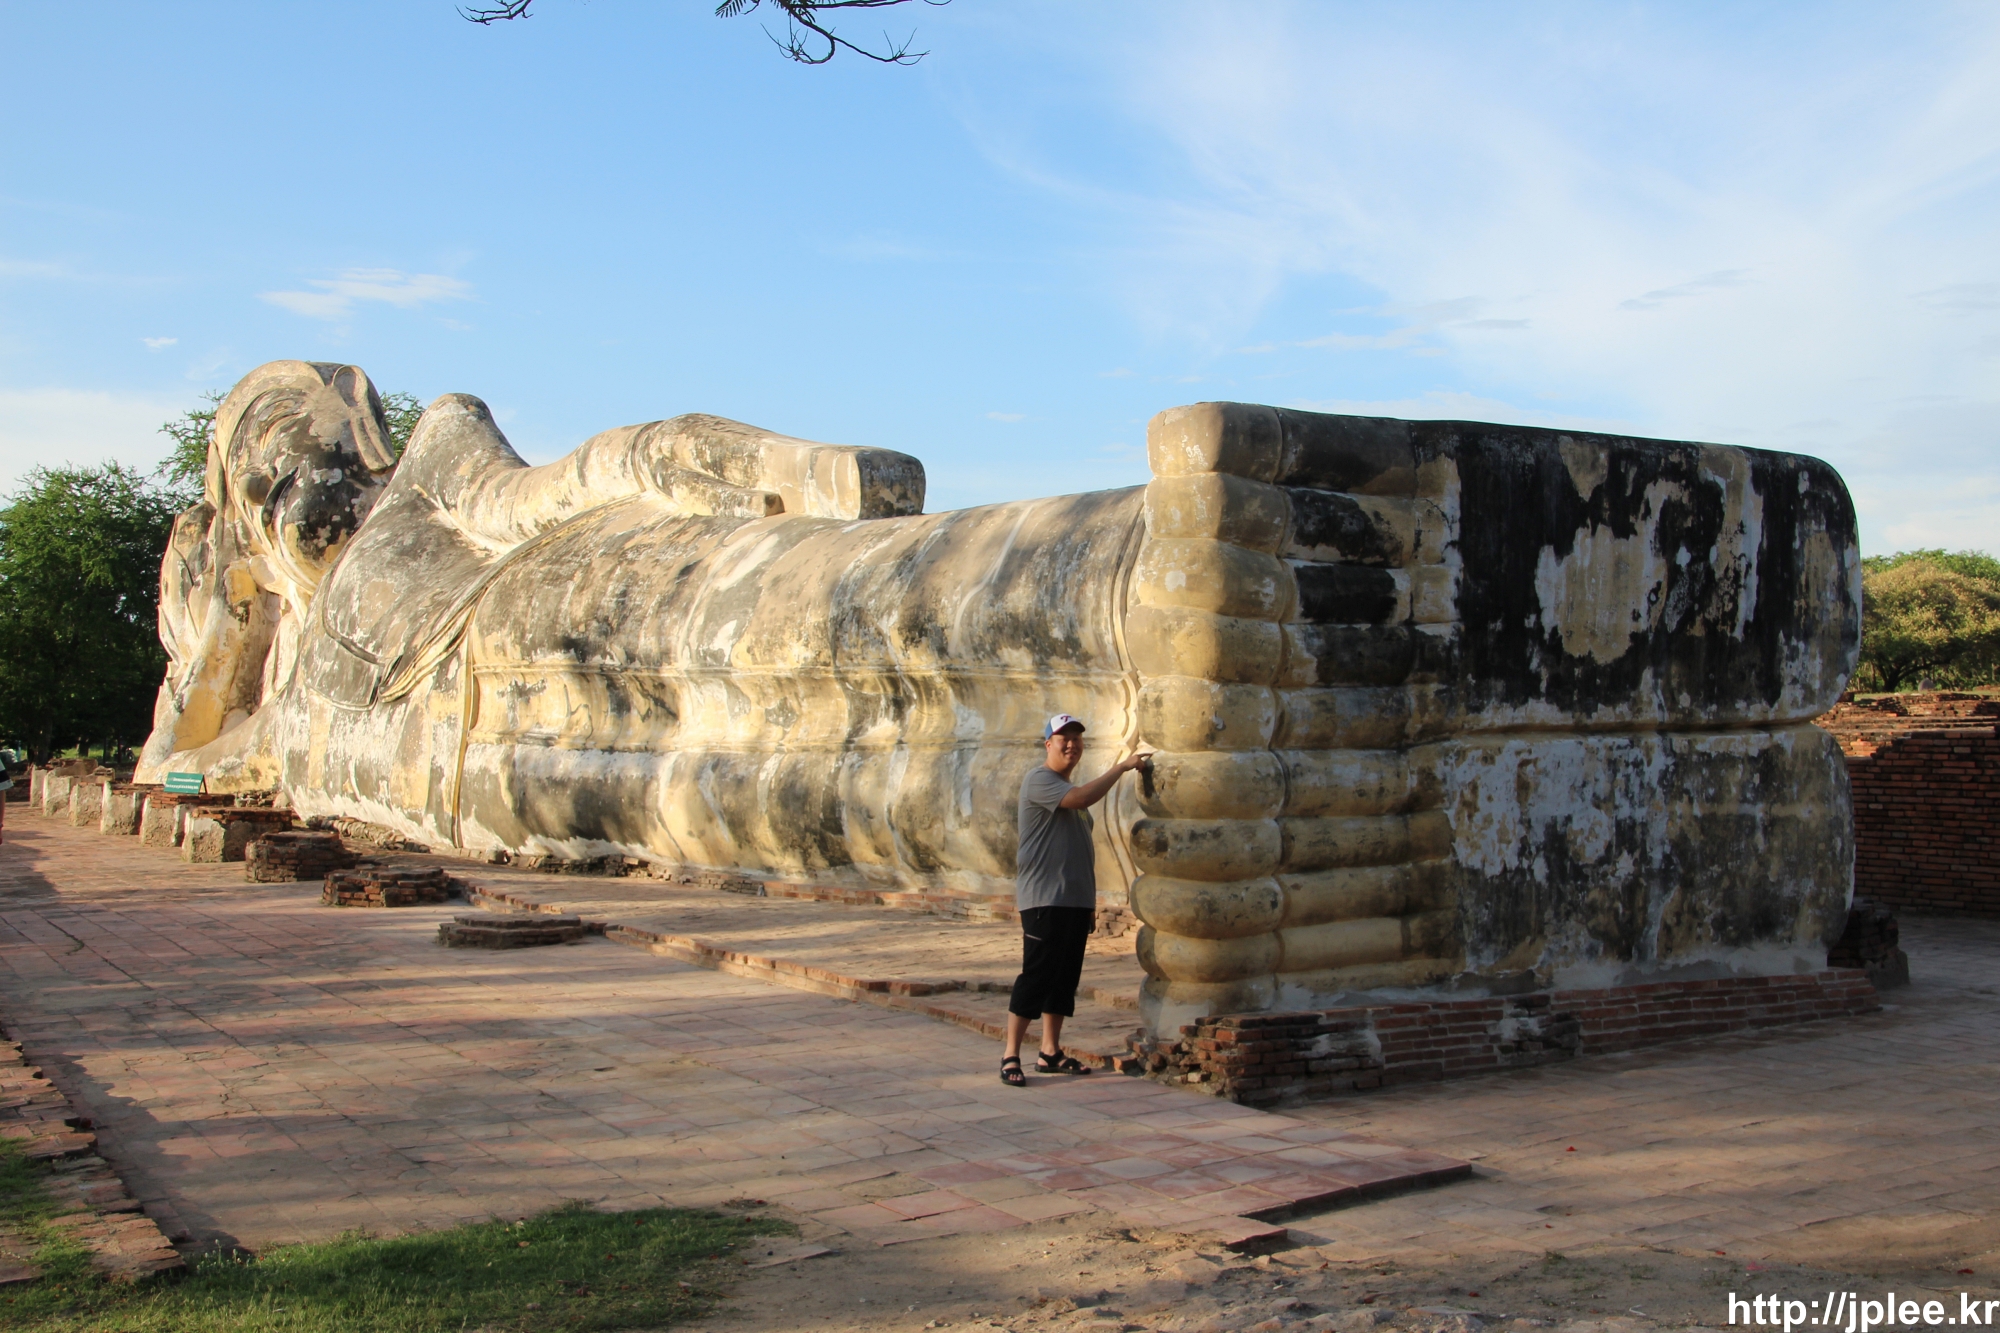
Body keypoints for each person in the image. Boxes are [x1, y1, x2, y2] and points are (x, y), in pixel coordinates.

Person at [1001, 713, 1151, 1086]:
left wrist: (1089, 901)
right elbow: (1083, 796)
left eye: (1076, 738)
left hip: (1074, 900)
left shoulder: (1068, 792)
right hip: (1044, 898)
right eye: (1063, 738)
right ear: (1048, 744)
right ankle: (1010, 1055)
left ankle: (1050, 1051)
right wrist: (1122, 767)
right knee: (1037, 975)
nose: (1071, 744)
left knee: (1063, 979)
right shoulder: (1040, 780)